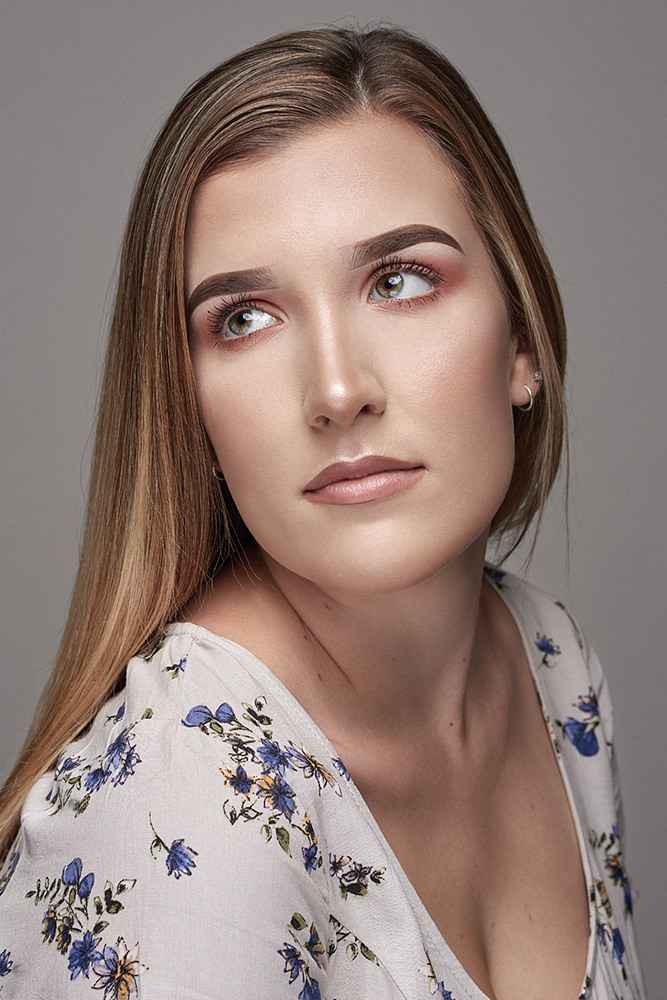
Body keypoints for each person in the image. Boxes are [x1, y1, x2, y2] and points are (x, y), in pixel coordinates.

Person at [0, 24, 646, 1000]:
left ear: (521, 343)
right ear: (188, 408)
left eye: (398, 281)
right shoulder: (183, 802)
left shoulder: (553, 666)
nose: (337, 391)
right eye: (244, 318)